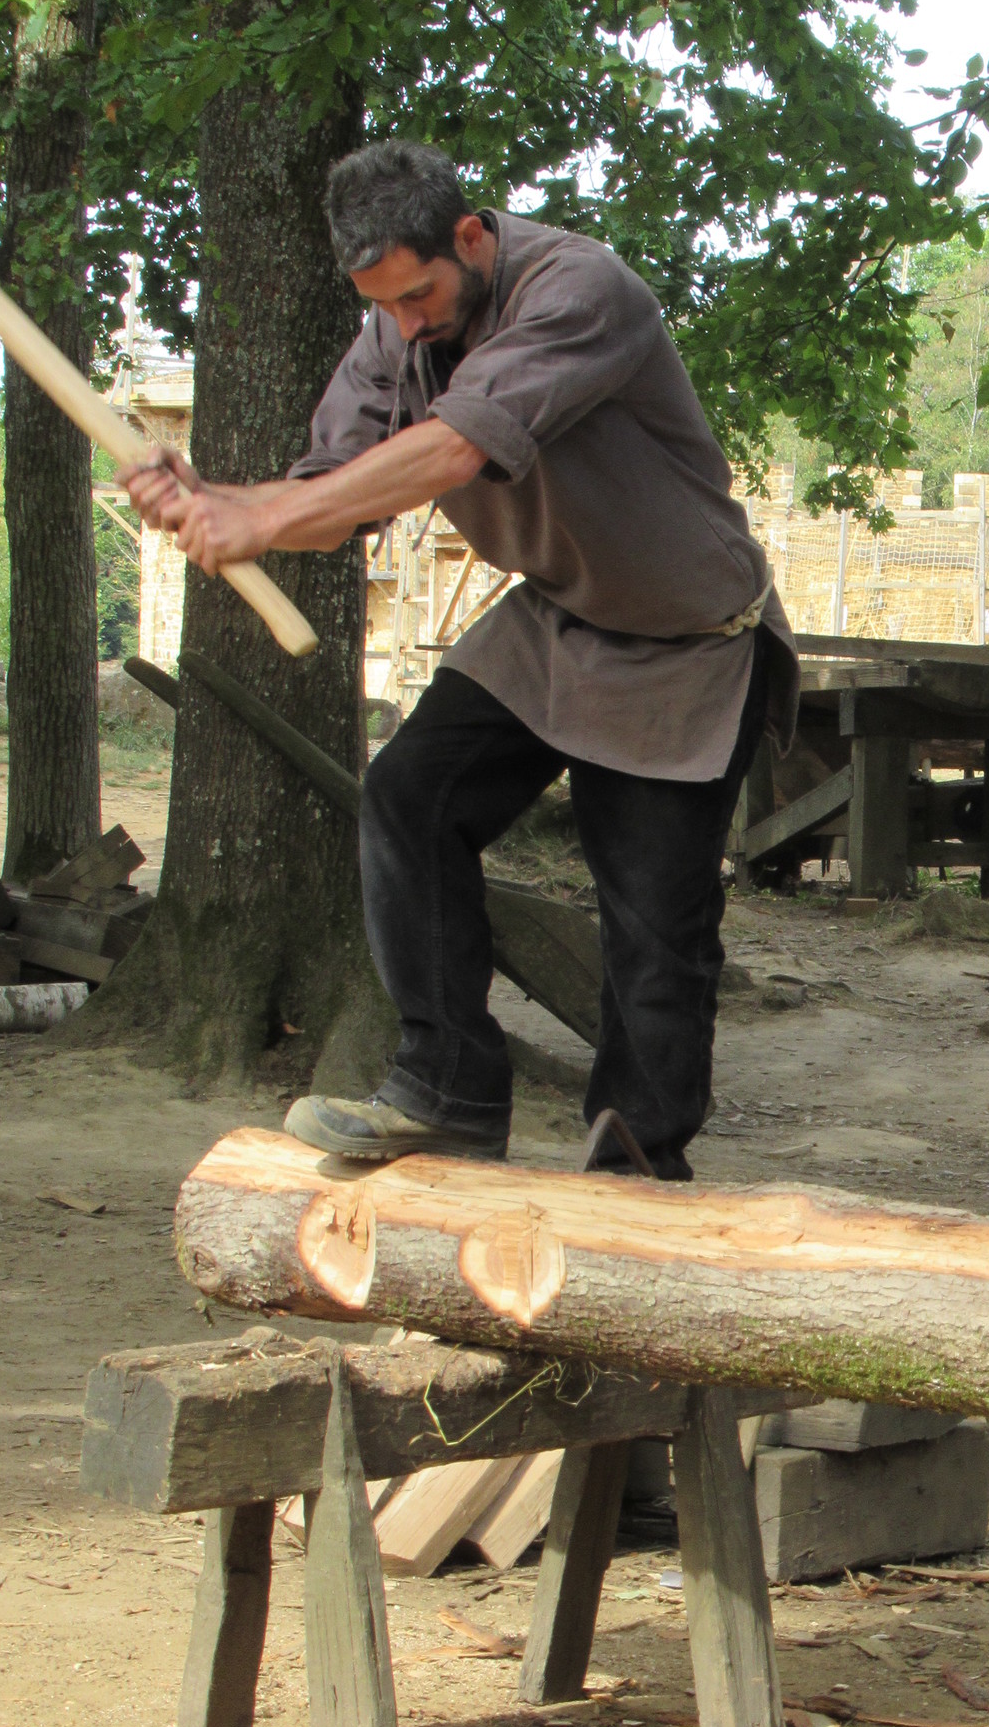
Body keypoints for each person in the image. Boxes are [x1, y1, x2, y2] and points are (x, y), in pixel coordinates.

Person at [121, 140, 798, 1177]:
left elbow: (456, 446)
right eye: (382, 305)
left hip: (688, 642)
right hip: (558, 620)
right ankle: (449, 1092)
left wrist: (257, 518)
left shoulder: (580, 290)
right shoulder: (394, 331)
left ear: (472, 236)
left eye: (418, 295)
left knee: (653, 929)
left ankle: (637, 1169)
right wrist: (216, 500)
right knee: (409, 796)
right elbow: (331, 495)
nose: (405, 325)